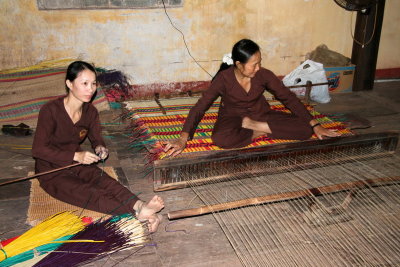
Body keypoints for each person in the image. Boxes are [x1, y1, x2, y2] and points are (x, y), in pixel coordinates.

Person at [32, 61, 164, 232]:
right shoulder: (50, 111)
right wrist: (76, 156)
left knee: (107, 182)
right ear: (69, 84)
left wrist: (100, 148)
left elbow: (96, 139)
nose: (91, 89)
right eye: (84, 83)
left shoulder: (90, 112)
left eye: (93, 83)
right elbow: (38, 150)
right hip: (51, 171)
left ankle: (140, 205)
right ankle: (141, 213)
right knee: (90, 192)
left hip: (76, 163)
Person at [164, 39, 340, 157]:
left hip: (260, 114)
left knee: (304, 129)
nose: (258, 67)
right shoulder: (223, 79)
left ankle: (258, 127)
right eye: (254, 64)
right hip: (232, 117)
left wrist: (316, 125)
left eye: (260, 62)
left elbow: (289, 98)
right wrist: (183, 138)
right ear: (239, 65)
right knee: (220, 139)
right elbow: (200, 107)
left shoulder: (264, 75)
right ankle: (260, 131)